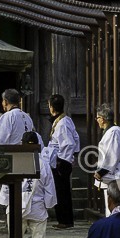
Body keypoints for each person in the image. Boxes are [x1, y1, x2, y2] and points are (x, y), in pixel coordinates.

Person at [0, 88, 38, 228]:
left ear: (5, 102)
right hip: (24, 158)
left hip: (8, 157)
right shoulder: (26, 117)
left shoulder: (7, 117)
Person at [18, 130, 58, 238]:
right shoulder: (44, 164)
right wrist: (47, 205)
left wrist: (8, 205)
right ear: (38, 145)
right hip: (37, 208)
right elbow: (50, 189)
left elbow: (7, 189)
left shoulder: (16, 161)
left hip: (18, 206)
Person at [46, 93, 80, 228]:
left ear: (52, 107)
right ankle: (64, 220)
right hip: (59, 160)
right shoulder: (64, 120)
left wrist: (63, 160)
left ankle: (65, 220)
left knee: (62, 191)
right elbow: (76, 138)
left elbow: (69, 143)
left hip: (61, 162)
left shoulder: (63, 123)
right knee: (61, 191)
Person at [92, 103, 120, 217]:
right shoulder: (111, 131)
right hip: (111, 175)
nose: (96, 120)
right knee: (111, 205)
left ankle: (116, 228)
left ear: (102, 119)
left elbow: (113, 154)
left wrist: (102, 171)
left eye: (97, 118)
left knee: (115, 206)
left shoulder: (114, 132)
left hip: (114, 175)